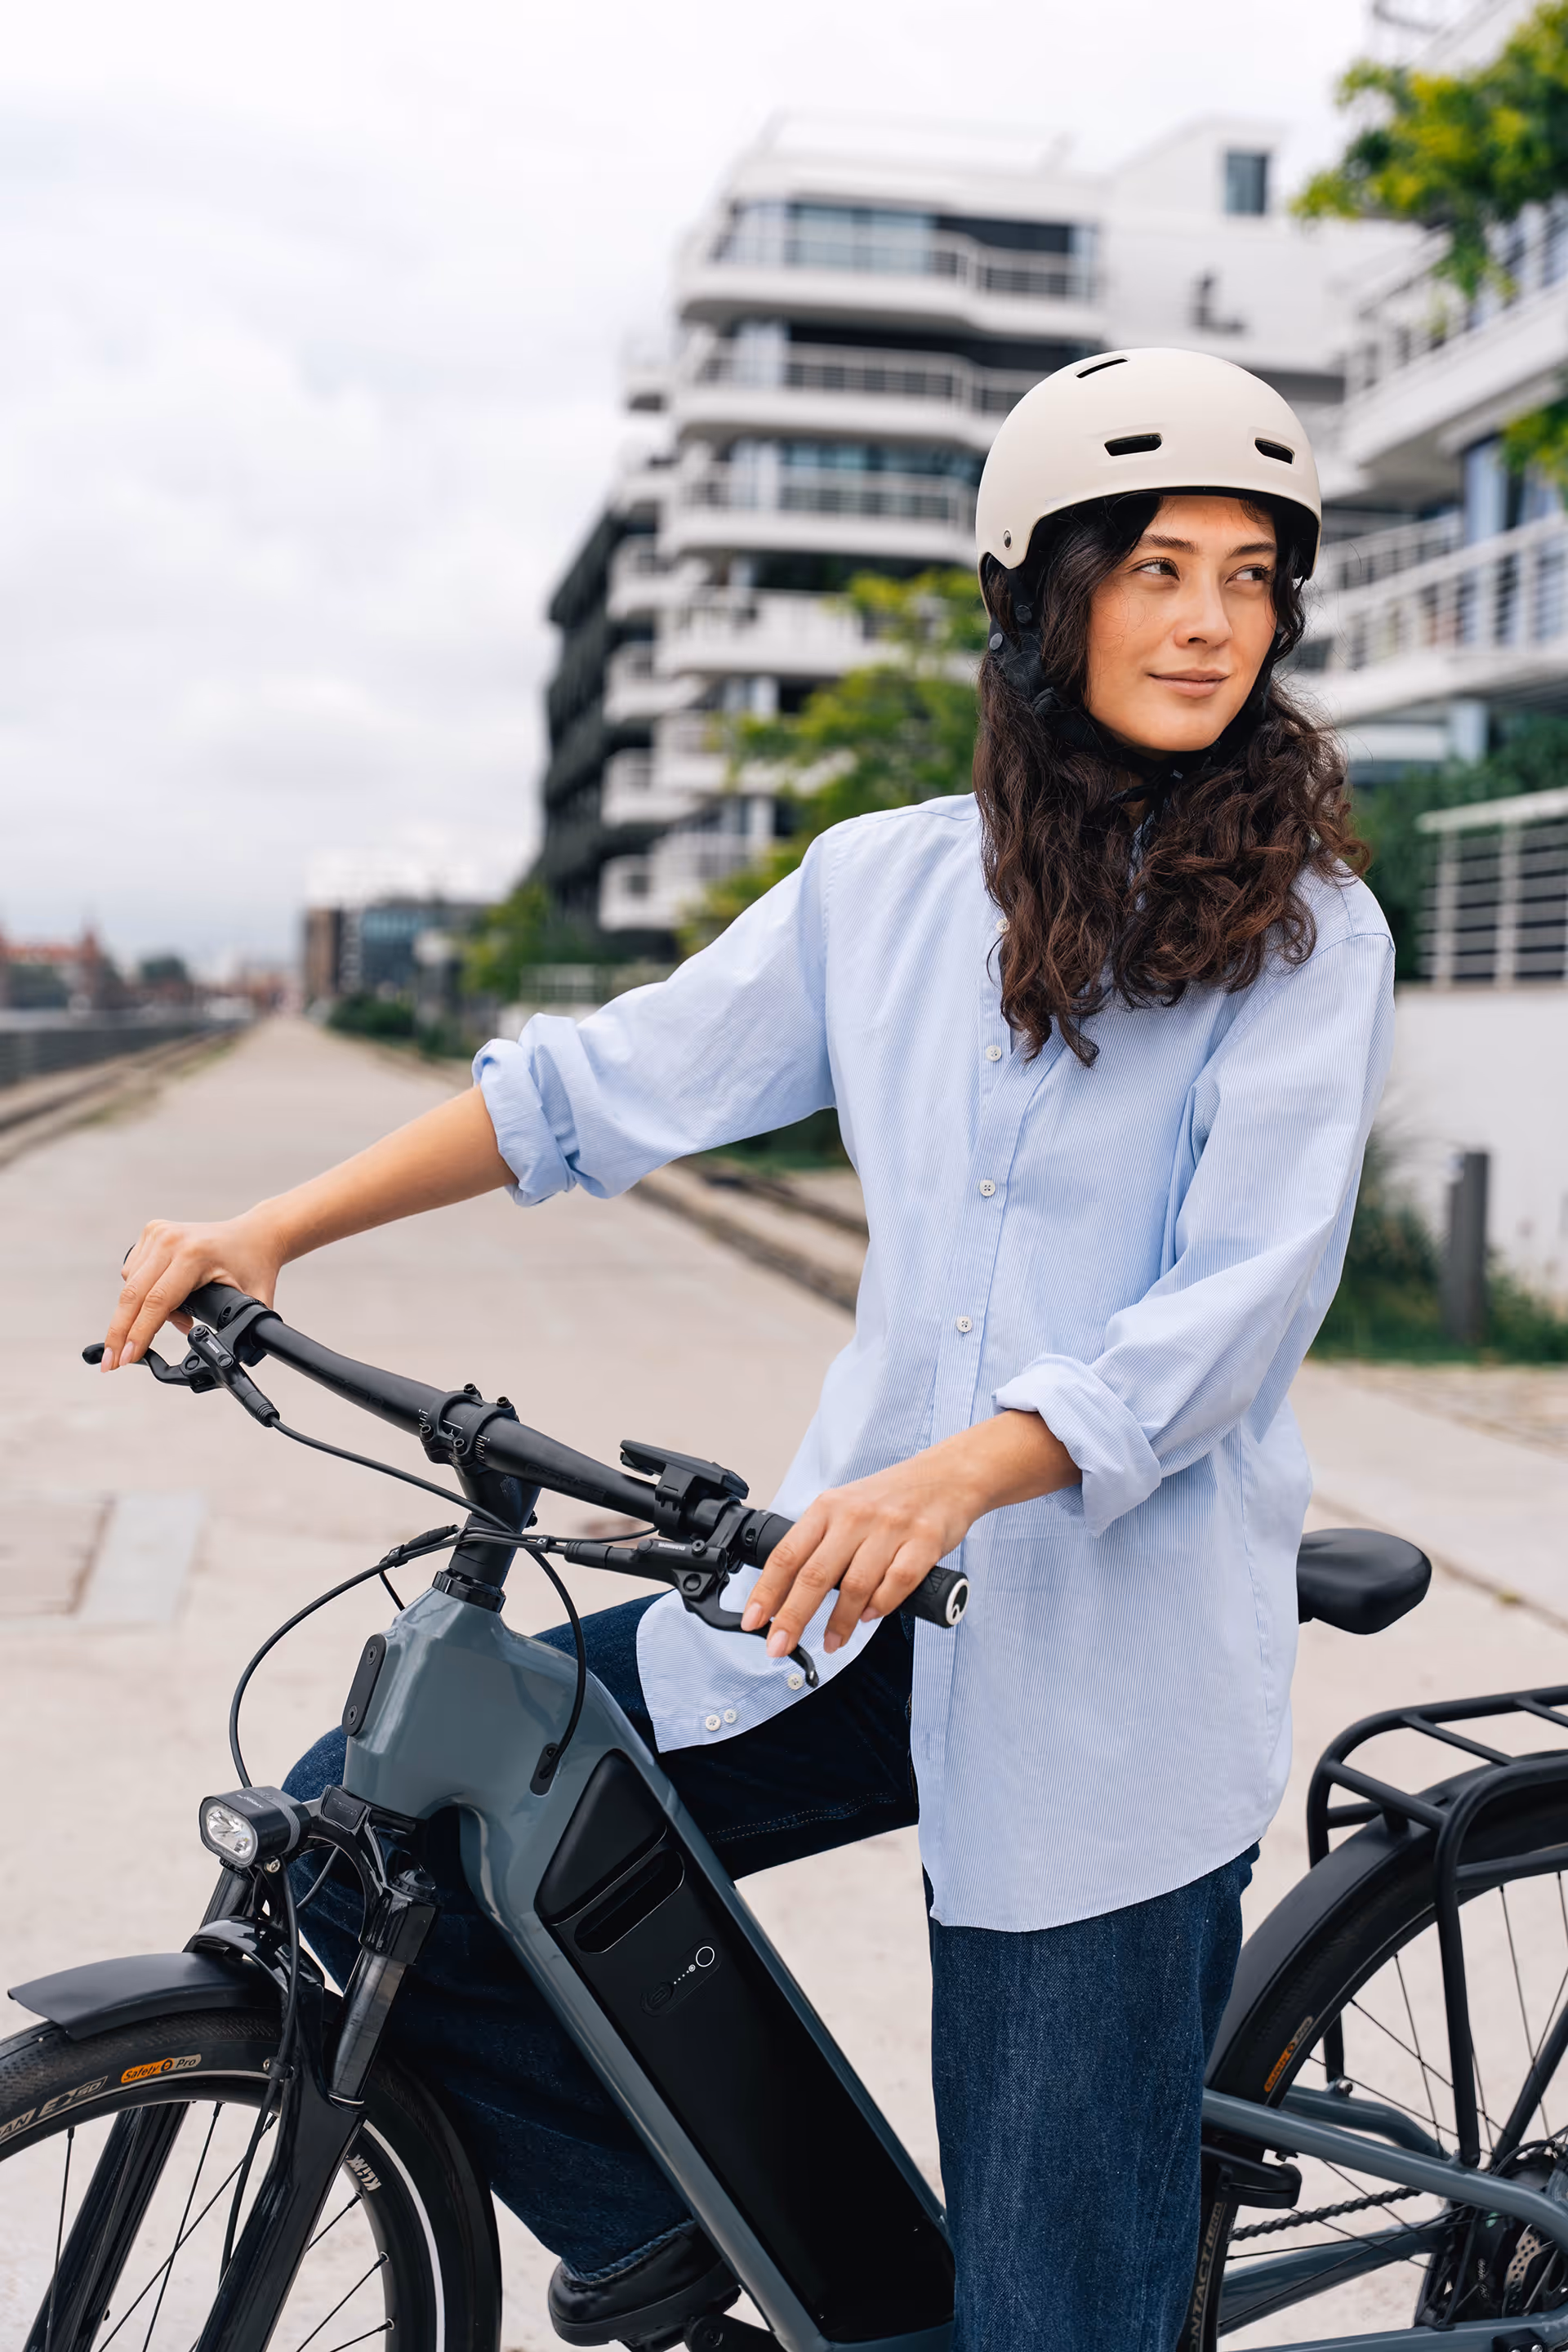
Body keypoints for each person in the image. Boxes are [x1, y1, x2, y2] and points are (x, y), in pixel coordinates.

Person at [104, 348, 1394, 2351]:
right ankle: (680, 2229)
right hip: (848, 1605)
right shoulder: (884, 888)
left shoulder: (1308, 930)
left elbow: (1231, 1308)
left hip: (1103, 1677)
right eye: (1153, 565)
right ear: (1041, 593)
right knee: (383, 1838)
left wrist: (966, 1467)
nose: (1212, 615)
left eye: (1249, 571)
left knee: (1054, 2322)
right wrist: (275, 1224)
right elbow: (591, 1091)